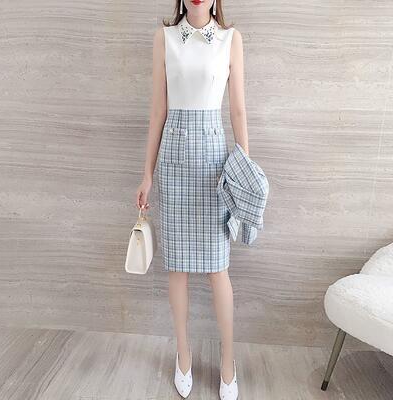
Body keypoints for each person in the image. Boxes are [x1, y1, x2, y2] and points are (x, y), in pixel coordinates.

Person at [136, 1, 248, 398]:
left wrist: (244, 171)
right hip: (174, 160)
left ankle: (228, 362)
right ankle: (183, 355)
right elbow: (158, 111)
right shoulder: (164, 38)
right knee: (178, 268)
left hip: (214, 163)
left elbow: (237, 110)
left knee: (219, 268)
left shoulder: (230, 39)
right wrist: (147, 174)